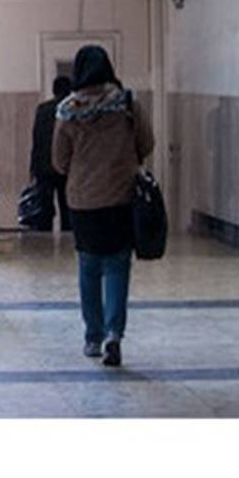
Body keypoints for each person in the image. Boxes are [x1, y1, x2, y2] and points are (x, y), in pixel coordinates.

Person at [53, 45, 154, 368]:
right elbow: (147, 143)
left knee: (89, 267)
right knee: (117, 265)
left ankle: (93, 336)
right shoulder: (127, 103)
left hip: (83, 201)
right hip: (120, 197)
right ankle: (114, 334)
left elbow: (59, 161)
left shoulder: (67, 110)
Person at [29, 75, 74, 231]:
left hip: (43, 166)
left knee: (44, 210)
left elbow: (36, 139)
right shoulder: (71, 110)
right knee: (66, 208)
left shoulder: (43, 109)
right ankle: (67, 237)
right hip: (64, 166)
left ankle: (44, 238)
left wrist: (33, 167)